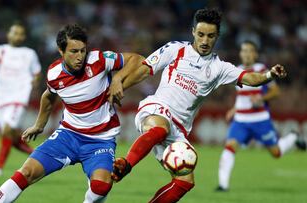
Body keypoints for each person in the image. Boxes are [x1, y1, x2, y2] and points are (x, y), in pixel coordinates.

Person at [108, 8, 287, 203]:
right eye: (201, 34)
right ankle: (125, 164)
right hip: (157, 108)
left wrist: (269, 75)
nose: (204, 41)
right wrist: (119, 86)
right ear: (193, 31)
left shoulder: (220, 68)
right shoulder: (175, 49)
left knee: (186, 181)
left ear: (217, 36)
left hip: (179, 128)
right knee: (161, 127)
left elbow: (251, 78)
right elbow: (144, 70)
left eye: (210, 36)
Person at [0, 24, 144, 203]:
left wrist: (117, 79)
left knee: (101, 187)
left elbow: (137, 59)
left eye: (83, 51)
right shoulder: (54, 74)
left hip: (100, 140)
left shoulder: (99, 59)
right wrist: (39, 125)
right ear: (61, 51)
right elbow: (48, 96)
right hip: (68, 136)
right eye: (74, 51)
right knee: (27, 172)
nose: (80, 57)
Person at [216, 40, 306, 192]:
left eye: (250, 51)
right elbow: (242, 96)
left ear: (255, 54)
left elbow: (276, 91)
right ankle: (222, 186)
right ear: (240, 53)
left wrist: (261, 99)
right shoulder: (237, 70)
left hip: (260, 119)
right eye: (244, 51)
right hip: (241, 120)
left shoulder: (262, 70)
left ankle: (293, 137)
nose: (246, 54)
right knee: (230, 147)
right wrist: (233, 109)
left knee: (276, 153)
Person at [0, 22, 42, 182]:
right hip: (0, 97)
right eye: (15, 33)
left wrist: (35, 81)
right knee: (10, 136)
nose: (17, 36)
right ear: (9, 34)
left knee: (8, 130)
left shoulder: (29, 53)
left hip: (19, 96)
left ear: (24, 37)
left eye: (21, 34)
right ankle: (38, 154)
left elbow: (37, 73)